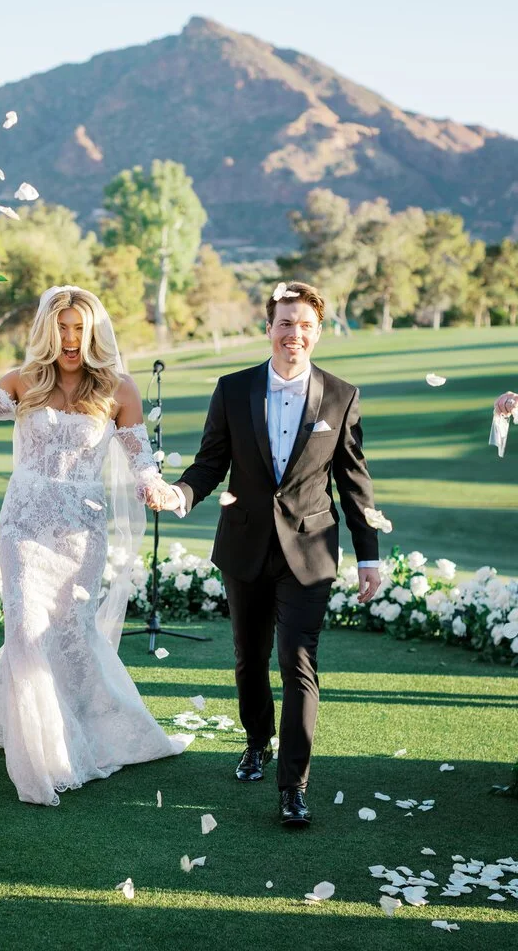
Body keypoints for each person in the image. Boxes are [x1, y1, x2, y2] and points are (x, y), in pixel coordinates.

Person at [0, 286, 192, 806]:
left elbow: (141, 461)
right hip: (25, 523)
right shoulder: (24, 381)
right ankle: (42, 756)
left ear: (94, 333)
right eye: (63, 327)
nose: (71, 338)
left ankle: (86, 721)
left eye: (80, 328)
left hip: (81, 529)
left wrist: (155, 486)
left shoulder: (119, 388)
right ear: (47, 330)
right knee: (27, 627)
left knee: (70, 631)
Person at [153, 281, 381, 829]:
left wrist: (368, 556)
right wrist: (179, 493)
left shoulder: (342, 396)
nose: (293, 334)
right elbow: (211, 464)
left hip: (311, 549)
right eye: (285, 323)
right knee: (248, 659)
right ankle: (258, 741)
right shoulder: (232, 390)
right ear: (268, 328)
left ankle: (293, 786)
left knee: (297, 664)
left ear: (318, 332)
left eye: (304, 325)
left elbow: (354, 483)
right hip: (245, 544)